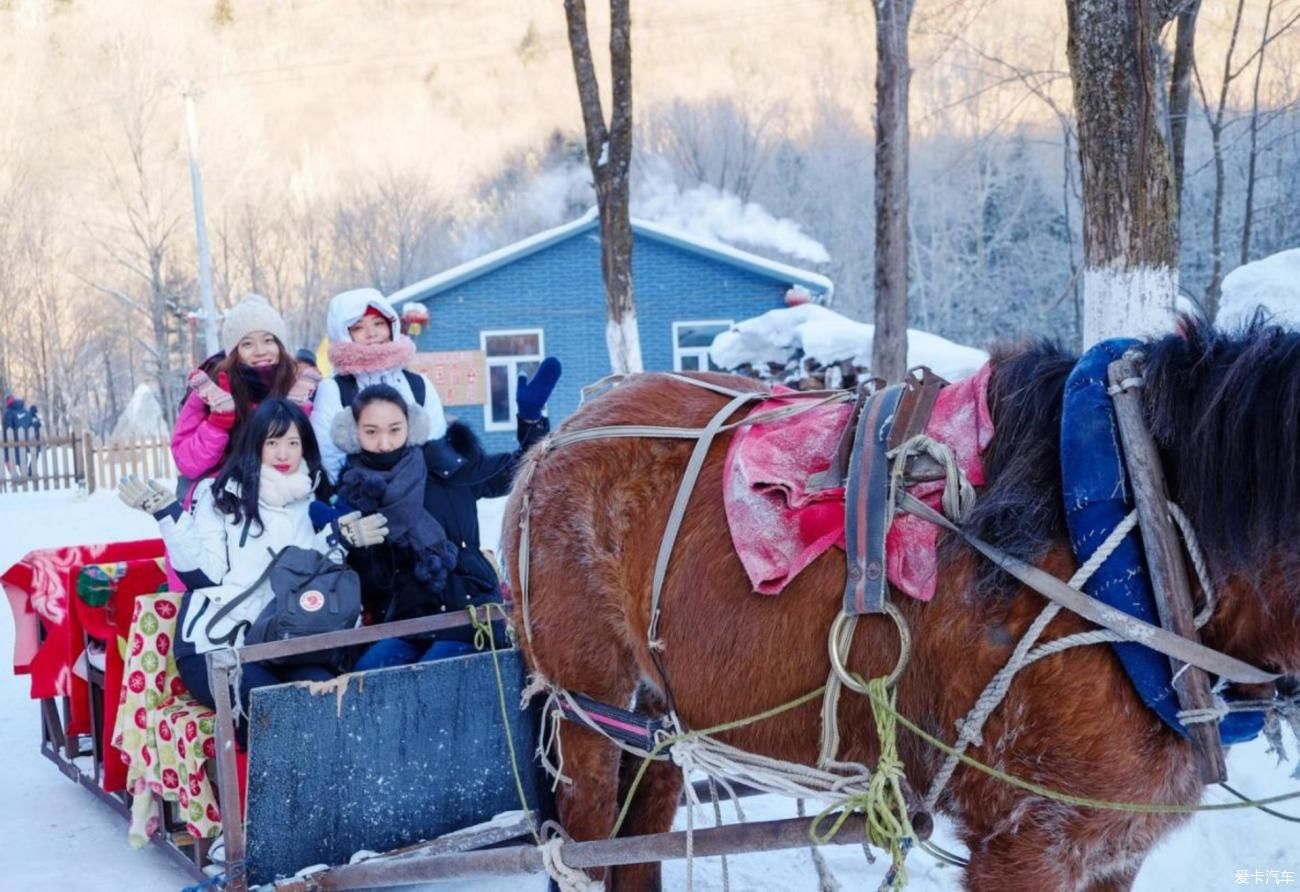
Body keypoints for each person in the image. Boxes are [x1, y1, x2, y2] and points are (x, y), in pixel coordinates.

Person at [120, 399, 388, 742]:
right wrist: (169, 515)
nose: (283, 453)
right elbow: (203, 575)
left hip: (286, 643)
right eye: (272, 442)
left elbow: (312, 584)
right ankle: (277, 796)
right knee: (274, 717)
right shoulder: (221, 497)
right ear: (255, 445)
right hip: (217, 645)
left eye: (293, 443)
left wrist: (340, 541)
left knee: (331, 706)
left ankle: (332, 794)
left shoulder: (310, 504)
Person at [334, 359, 559, 670]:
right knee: (365, 678)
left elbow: (522, 468)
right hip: (408, 624)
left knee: (434, 675)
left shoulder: (447, 468)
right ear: (353, 433)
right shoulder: (355, 491)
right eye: (371, 432)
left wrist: (531, 419)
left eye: (394, 429)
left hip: (470, 615)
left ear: (411, 427)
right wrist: (354, 544)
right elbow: (373, 583)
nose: (384, 443)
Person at [172, 295, 320, 503]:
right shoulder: (210, 389)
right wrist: (217, 423)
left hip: (279, 499)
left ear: (280, 346)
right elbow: (188, 463)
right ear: (234, 351)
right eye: (248, 344)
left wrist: (294, 414)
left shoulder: (294, 386)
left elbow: (307, 455)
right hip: (222, 499)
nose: (260, 351)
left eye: (268, 341)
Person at [311, 288, 446, 484]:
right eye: (358, 327)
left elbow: (436, 444)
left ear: (393, 326)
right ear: (342, 334)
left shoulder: (419, 385)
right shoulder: (333, 390)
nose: (372, 333)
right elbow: (328, 455)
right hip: (359, 498)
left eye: (379, 323)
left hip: (419, 495)